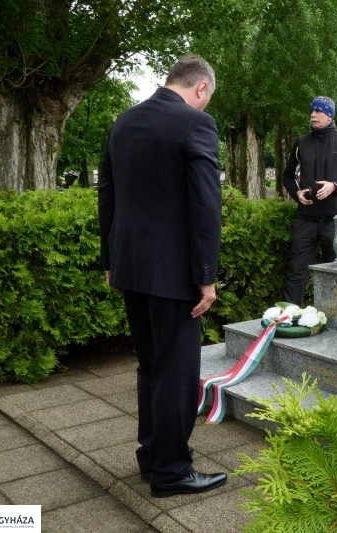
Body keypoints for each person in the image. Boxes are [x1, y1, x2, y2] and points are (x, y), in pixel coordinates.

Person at [98, 56, 227, 498]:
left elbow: (108, 195)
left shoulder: (124, 122)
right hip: (174, 273)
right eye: (208, 98)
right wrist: (206, 276)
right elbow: (206, 206)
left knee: (151, 366)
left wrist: (110, 260)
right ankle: (171, 471)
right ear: (201, 89)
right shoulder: (195, 124)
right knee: (176, 371)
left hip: (130, 266)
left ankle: (152, 456)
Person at [281, 96, 337, 305]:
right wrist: (296, 193)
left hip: (335, 219)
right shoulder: (301, 142)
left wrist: (335, 186)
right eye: (312, 111)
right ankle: (289, 318)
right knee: (295, 272)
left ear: (329, 116)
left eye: (318, 111)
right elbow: (287, 176)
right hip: (306, 219)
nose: (313, 115)